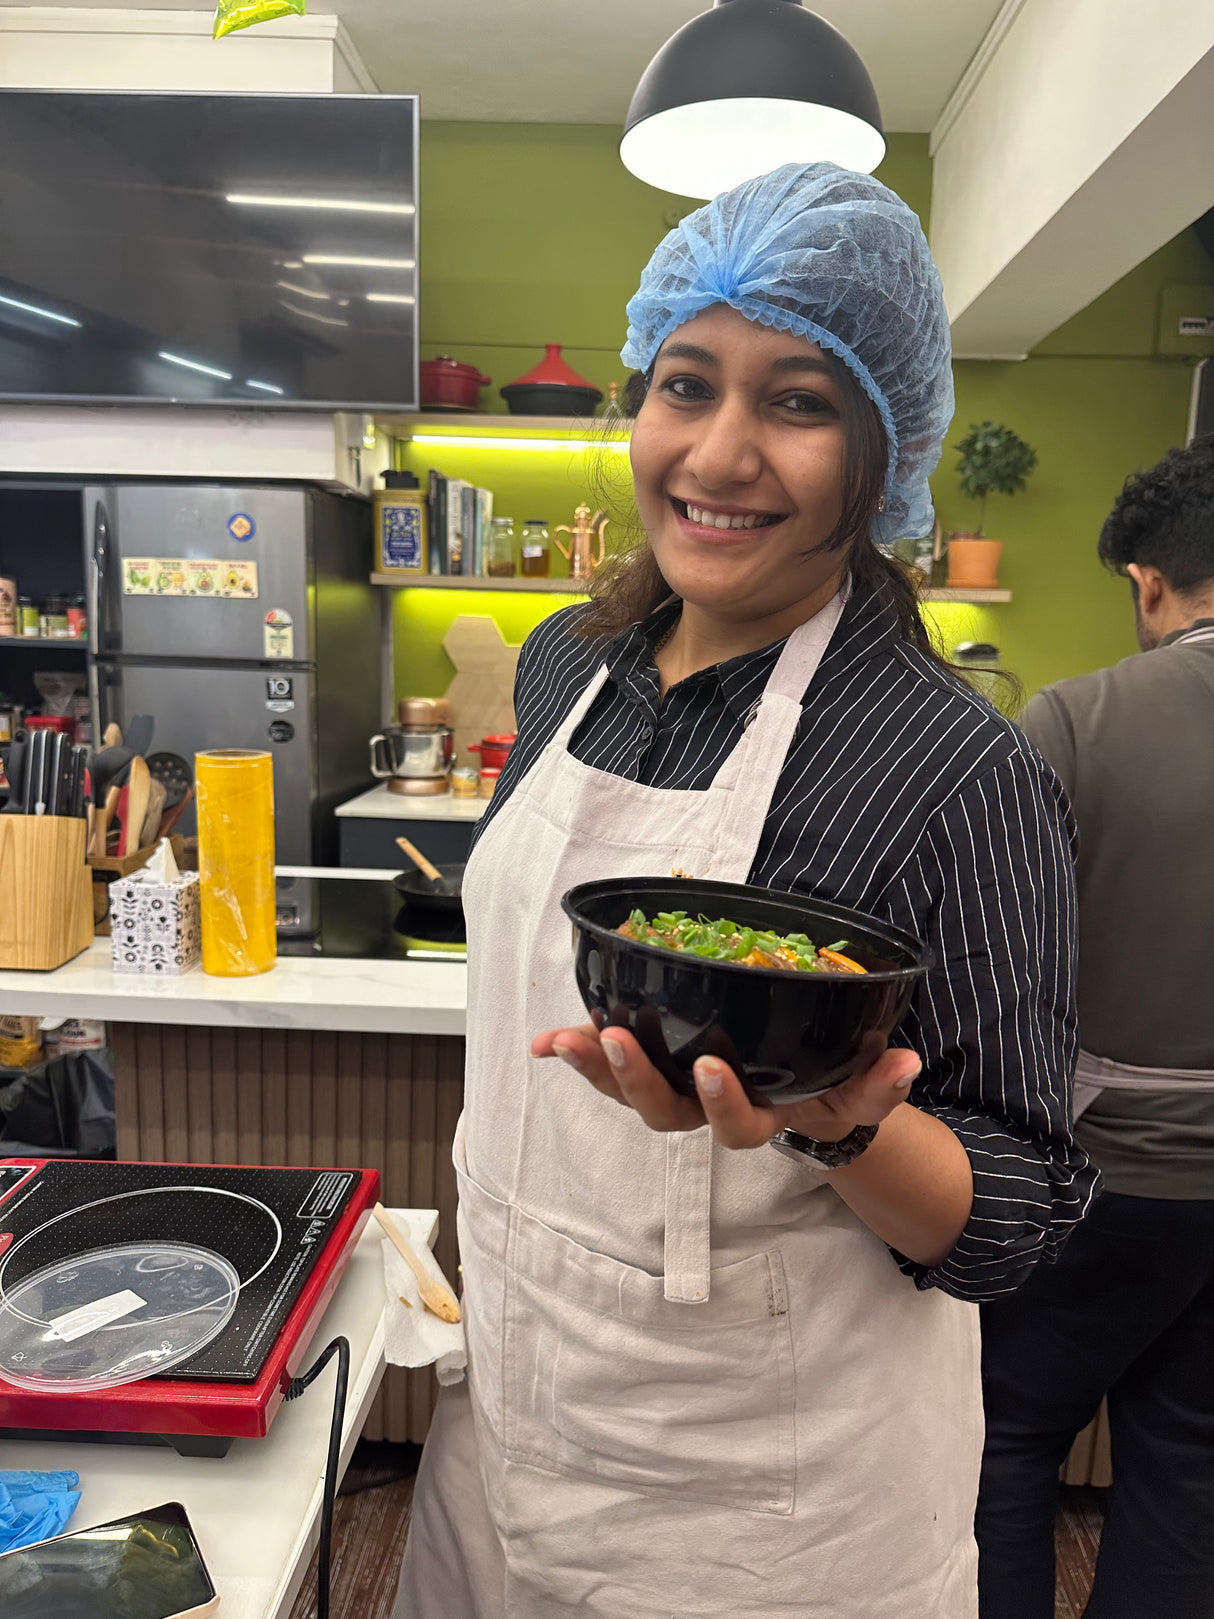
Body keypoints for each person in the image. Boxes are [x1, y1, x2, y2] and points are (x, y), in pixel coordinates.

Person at [393, 162, 1095, 1619]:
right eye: (684, 381)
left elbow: (1018, 1210)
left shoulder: (947, 765)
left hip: (764, 1512)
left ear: (880, 444)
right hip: (514, 1422)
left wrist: (840, 1117)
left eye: (796, 400)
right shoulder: (566, 666)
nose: (716, 453)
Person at [975, 437, 1214, 1619]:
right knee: (1186, 1466)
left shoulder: (1071, 721)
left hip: (1096, 1179)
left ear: (1146, 582)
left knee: (1006, 1445)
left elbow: (991, 975)